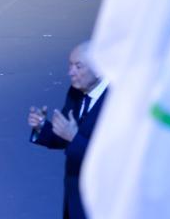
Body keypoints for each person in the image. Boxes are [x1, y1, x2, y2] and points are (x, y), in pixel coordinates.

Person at [27, 41, 109, 219]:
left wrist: (73, 137)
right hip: (74, 198)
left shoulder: (117, 101)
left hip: (102, 200)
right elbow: (64, 136)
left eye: (78, 66)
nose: (70, 72)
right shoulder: (75, 93)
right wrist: (41, 127)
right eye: (70, 65)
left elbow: (110, 158)